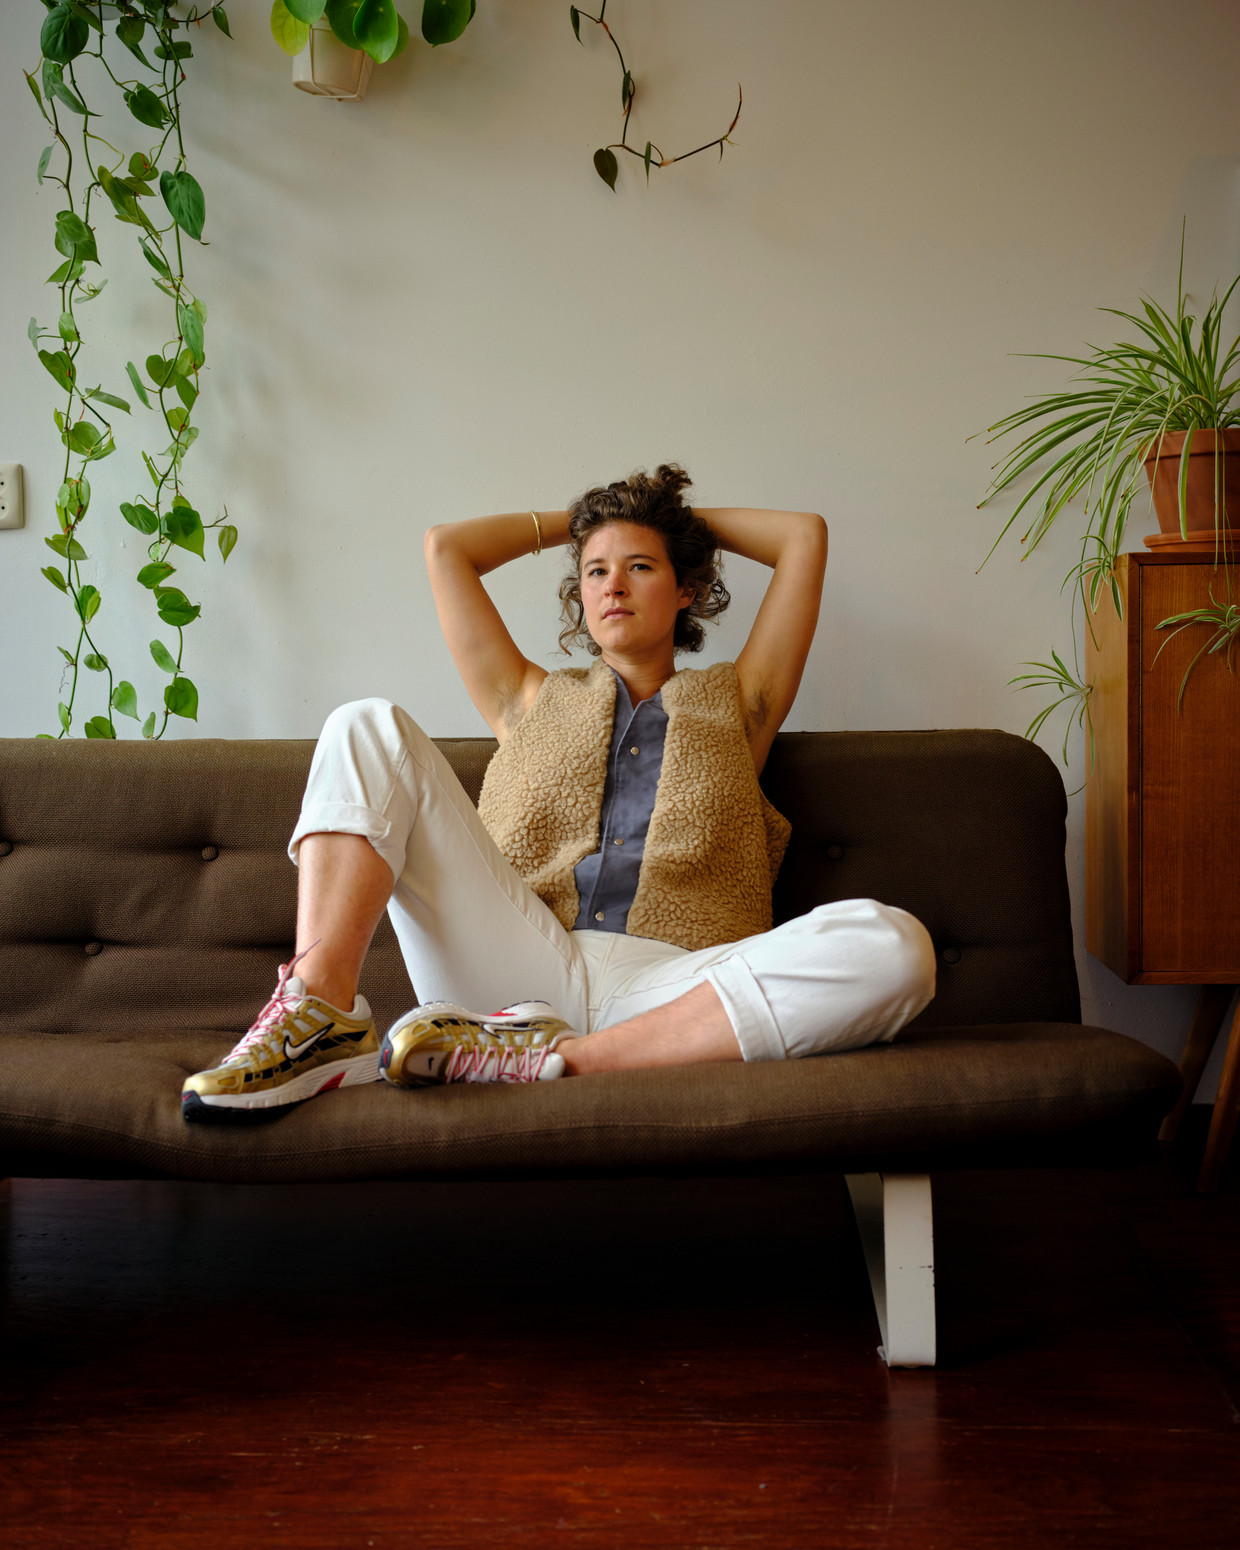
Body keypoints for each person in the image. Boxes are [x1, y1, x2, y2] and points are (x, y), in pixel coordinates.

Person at [181, 465, 935, 1119]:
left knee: (895, 946)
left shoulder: (740, 703)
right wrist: (586, 525)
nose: (612, 584)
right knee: (365, 725)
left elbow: (803, 537)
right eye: (596, 571)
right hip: (513, 969)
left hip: (672, 992)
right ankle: (320, 1015)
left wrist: (668, 522)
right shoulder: (527, 698)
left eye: (641, 567)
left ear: (687, 591)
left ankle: (564, 1060)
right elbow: (449, 548)